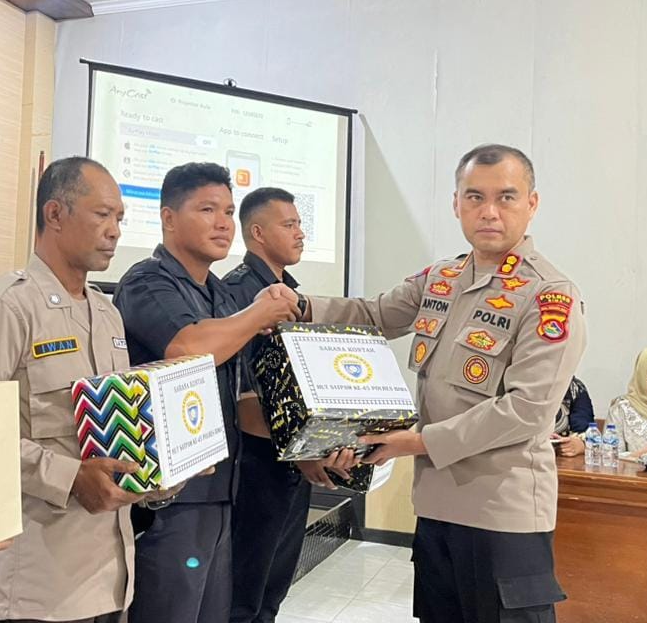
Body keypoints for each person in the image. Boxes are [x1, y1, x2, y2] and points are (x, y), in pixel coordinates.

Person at [281, 144, 587, 623]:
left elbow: (526, 411)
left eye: (506, 197)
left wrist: (417, 442)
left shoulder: (549, 295)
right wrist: (301, 307)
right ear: (456, 204)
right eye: (475, 196)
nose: (489, 211)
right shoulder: (442, 277)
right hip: (435, 507)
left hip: (502, 515)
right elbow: (375, 315)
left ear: (532, 204)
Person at [0, 157, 163, 623]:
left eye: (120, 218)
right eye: (102, 214)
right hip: (45, 586)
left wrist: (157, 469)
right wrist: (69, 477)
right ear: (55, 214)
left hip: (114, 578)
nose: (115, 231)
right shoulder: (6, 307)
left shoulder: (106, 313)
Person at [111, 163, 299, 623]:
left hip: (222, 489)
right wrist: (259, 313)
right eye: (207, 210)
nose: (223, 223)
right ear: (168, 218)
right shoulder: (146, 281)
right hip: (168, 498)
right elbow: (188, 348)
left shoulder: (221, 294)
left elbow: (243, 393)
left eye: (229, 212)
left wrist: (308, 441)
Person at [222, 186, 351, 623]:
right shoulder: (239, 293)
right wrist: (299, 449)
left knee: (274, 589)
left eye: (300, 224)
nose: (300, 233)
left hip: (293, 459)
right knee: (245, 591)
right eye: (289, 224)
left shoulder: (291, 294)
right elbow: (243, 392)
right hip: (257, 462)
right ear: (258, 232)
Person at [550, 377, 595, 458]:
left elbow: (588, 434)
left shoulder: (575, 387)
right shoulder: (525, 385)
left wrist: (581, 445)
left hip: (561, 457)